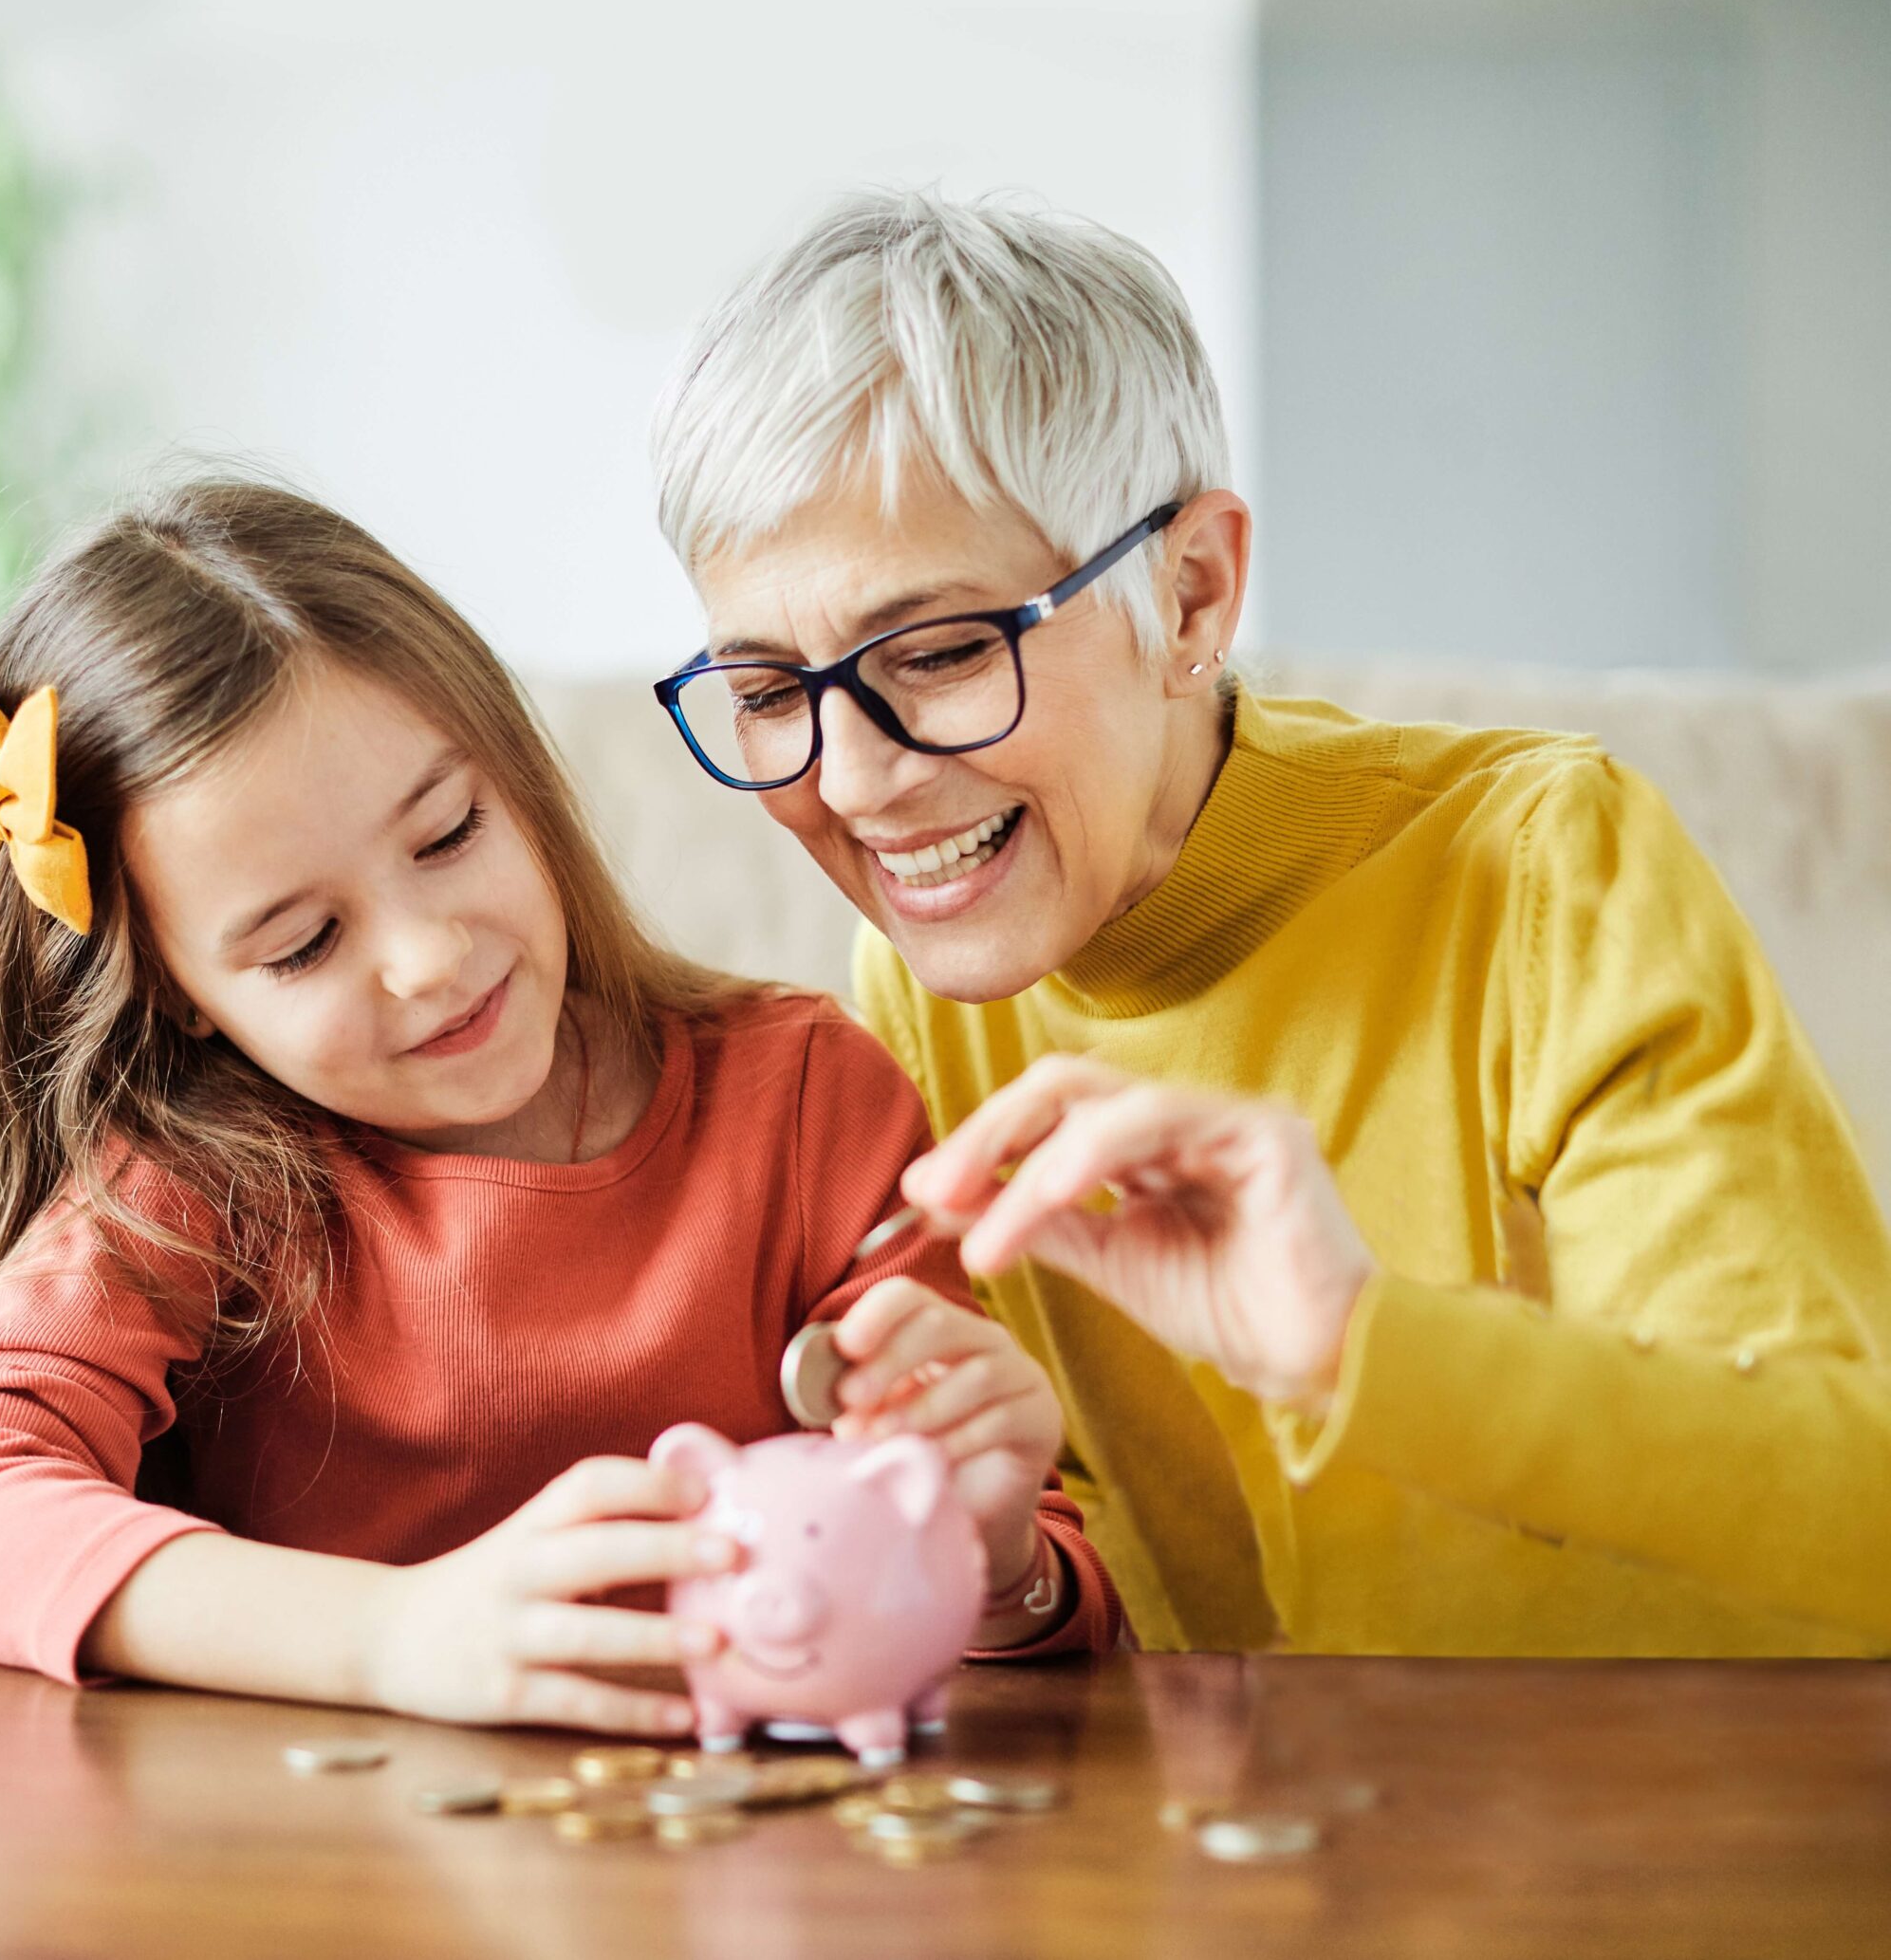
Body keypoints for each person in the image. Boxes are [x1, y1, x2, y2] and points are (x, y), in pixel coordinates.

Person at [647, 191, 1891, 1655]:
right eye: (773, 695)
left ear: (1191, 594)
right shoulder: (921, 980)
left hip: (1629, 1835)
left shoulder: (1548, 868)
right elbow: (1088, 1578)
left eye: (938, 653)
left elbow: (1855, 1524)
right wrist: (1002, 1568)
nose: (852, 783)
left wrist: (1356, 1344)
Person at [0, 477, 1122, 1734]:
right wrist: (392, 1637)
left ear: (516, 777)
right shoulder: (192, 1185)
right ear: (183, 994)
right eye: (302, 944)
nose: (428, 957)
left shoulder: (805, 1104)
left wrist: (998, 1550)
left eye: (450, 833)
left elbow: (1021, 1606)